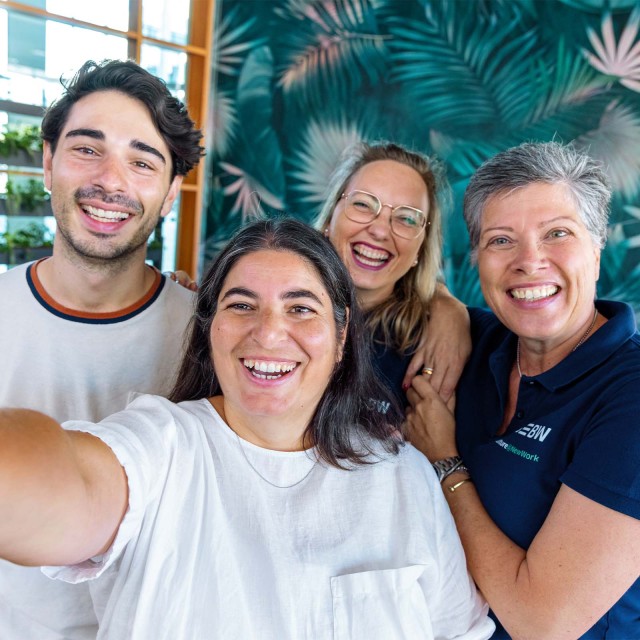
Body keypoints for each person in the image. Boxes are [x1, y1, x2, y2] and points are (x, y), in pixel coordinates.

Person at [0, 219, 495, 640]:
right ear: (210, 326)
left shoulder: (402, 475)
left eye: (301, 308)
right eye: (241, 305)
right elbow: (62, 485)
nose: (269, 332)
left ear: (342, 335)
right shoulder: (162, 446)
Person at [0, 59, 203, 639]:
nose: (111, 181)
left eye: (142, 162)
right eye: (88, 149)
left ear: (170, 194)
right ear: (47, 162)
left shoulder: (212, 338)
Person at [406, 141, 640, 639]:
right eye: (501, 240)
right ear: (477, 259)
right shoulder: (477, 343)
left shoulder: (630, 392)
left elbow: (543, 623)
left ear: (597, 249)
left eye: (557, 234)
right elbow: (377, 295)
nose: (530, 262)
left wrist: (446, 462)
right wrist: (444, 303)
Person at [314, 141, 470, 406]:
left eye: (407, 218)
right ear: (330, 219)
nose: (380, 230)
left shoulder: (435, 345)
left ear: (421, 248)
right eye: (363, 204)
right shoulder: (267, 300)